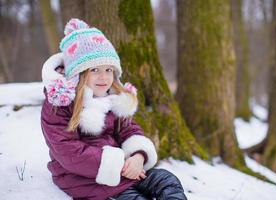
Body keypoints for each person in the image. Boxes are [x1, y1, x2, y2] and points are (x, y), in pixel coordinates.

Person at [40, 18, 187, 200]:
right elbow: (68, 151)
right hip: (85, 179)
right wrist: (120, 165)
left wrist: (138, 156)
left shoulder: (110, 97)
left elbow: (128, 129)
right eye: (94, 70)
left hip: (125, 168)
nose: (103, 77)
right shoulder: (59, 105)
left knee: (167, 181)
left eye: (108, 70)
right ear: (78, 73)